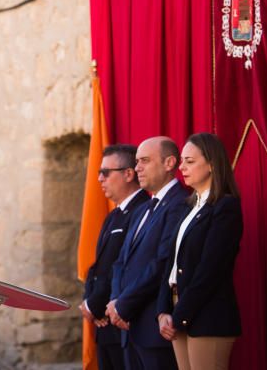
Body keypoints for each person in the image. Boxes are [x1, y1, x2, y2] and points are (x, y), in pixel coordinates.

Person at [157, 132, 243, 370]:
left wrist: (179, 314)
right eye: (182, 161)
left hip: (208, 313)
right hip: (178, 308)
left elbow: (210, 269)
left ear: (212, 164)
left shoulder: (225, 207)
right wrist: (163, 310)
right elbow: (171, 262)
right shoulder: (188, 206)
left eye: (190, 161)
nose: (181, 167)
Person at [107, 136, 187, 370]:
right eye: (136, 161)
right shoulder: (143, 209)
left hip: (154, 329)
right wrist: (114, 300)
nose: (137, 167)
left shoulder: (180, 203)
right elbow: (120, 261)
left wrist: (123, 305)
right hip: (128, 328)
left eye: (144, 161)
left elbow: (161, 263)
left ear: (170, 163)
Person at [79, 144, 149, 370]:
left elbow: (127, 265)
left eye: (106, 172)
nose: (99, 178)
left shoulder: (144, 209)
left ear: (129, 174)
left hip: (123, 320)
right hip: (103, 323)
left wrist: (97, 305)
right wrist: (90, 303)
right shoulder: (113, 216)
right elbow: (98, 266)